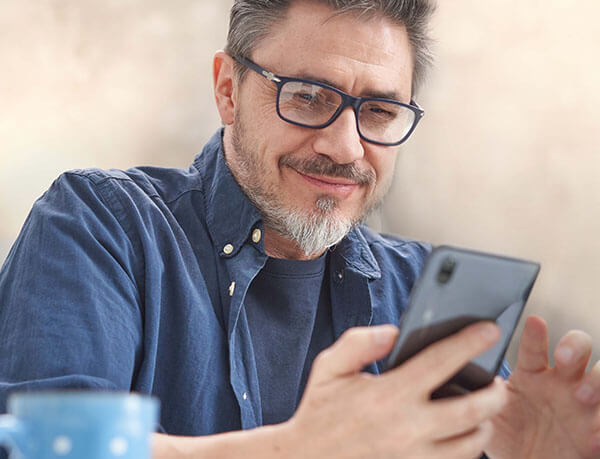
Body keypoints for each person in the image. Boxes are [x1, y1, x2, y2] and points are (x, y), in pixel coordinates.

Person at [1, 0, 599, 457]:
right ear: (228, 90)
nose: (345, 148)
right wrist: (302, 447)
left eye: (380, 112)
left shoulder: (417, 287)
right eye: (309, 97)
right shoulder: (101, 225)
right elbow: (51, 448)